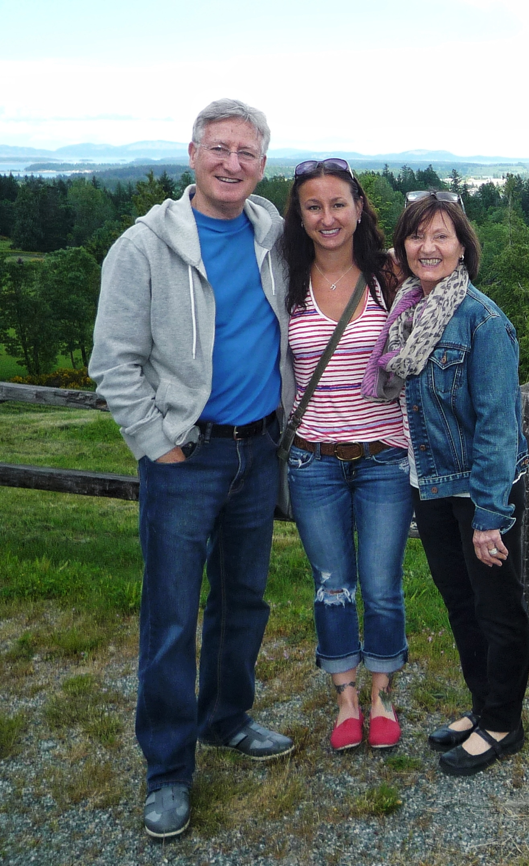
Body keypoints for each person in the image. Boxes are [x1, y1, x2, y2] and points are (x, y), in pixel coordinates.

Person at [89, 98, 296, 838]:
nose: (231, 163)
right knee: (172, 617)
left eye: (247, 152)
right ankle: (168, 769)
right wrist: (160, 445)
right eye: (219, 148)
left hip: (258, 451)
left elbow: (342, 257)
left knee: (243, 602)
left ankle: (226, 718)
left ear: (262, 165)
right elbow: (113, 362)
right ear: (193, 154)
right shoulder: (143, 246)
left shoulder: (274, 234)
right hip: (187, 456)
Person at [362, 192, 529, 776]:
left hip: (480, 491)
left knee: (497, 607)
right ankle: (482, 706)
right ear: (402, 247)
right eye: (416, 236)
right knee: (461, 604)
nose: (427, 247)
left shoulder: (483, 320)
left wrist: (489, 515)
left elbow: (498, 426)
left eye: (441, 236)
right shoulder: (409, 313)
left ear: (463, 247)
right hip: (430, 484)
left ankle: (504, 723)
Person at [281, 159, 413, 751]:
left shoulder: (389, 276)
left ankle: (382, 693)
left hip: (385, 457)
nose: (327, 217)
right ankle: (345, 698)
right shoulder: (285, 279)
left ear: (359, 208)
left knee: (382, 583)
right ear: (300, 215)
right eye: (313, 206)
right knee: (332, 584)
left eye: (338, 204)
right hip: (313, 460)